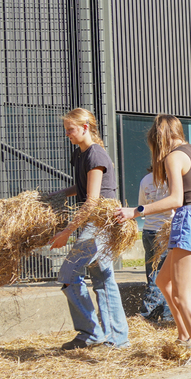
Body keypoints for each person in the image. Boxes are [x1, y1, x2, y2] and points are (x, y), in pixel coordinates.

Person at [117, 113, 191, 364]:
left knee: (182, 295)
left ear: (158, 137)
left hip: (188, 220)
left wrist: (136, 211)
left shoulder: (173, 157)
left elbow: (176, 199)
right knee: (164, 282)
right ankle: (183, 335)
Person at [49, 108, 130, 351]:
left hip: (100, 224)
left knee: (68, 275)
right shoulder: (80, 155)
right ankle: (117, 338)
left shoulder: (96, 156)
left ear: (85, 127)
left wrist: (65, 233)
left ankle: (91, 333)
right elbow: (82, 186)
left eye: (70, 130)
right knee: (103, 279)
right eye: (66, 130)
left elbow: (93, 201)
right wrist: (58, 194)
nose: (67, 134)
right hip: (92, 223)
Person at [136, 170, 174, 324]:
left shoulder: (145, 179)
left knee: (153, 272)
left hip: (148, 230)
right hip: (165, 231)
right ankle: (148, 315)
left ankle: (166, 315)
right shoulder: (171, 179)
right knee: (162, 277)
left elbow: (141, 207)